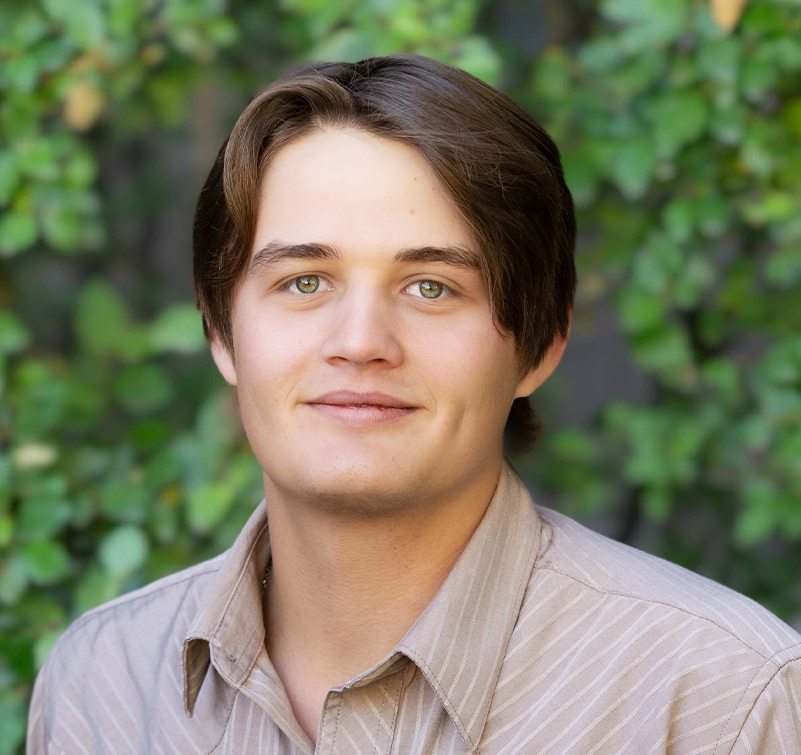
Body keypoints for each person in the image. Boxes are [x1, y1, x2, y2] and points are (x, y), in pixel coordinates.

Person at [28, 54, 800, 754]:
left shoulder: (723, 699)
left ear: (538, 344)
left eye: (431, 287)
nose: (360, 341)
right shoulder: (103, 684)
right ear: (221, 333)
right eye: (304, 281)